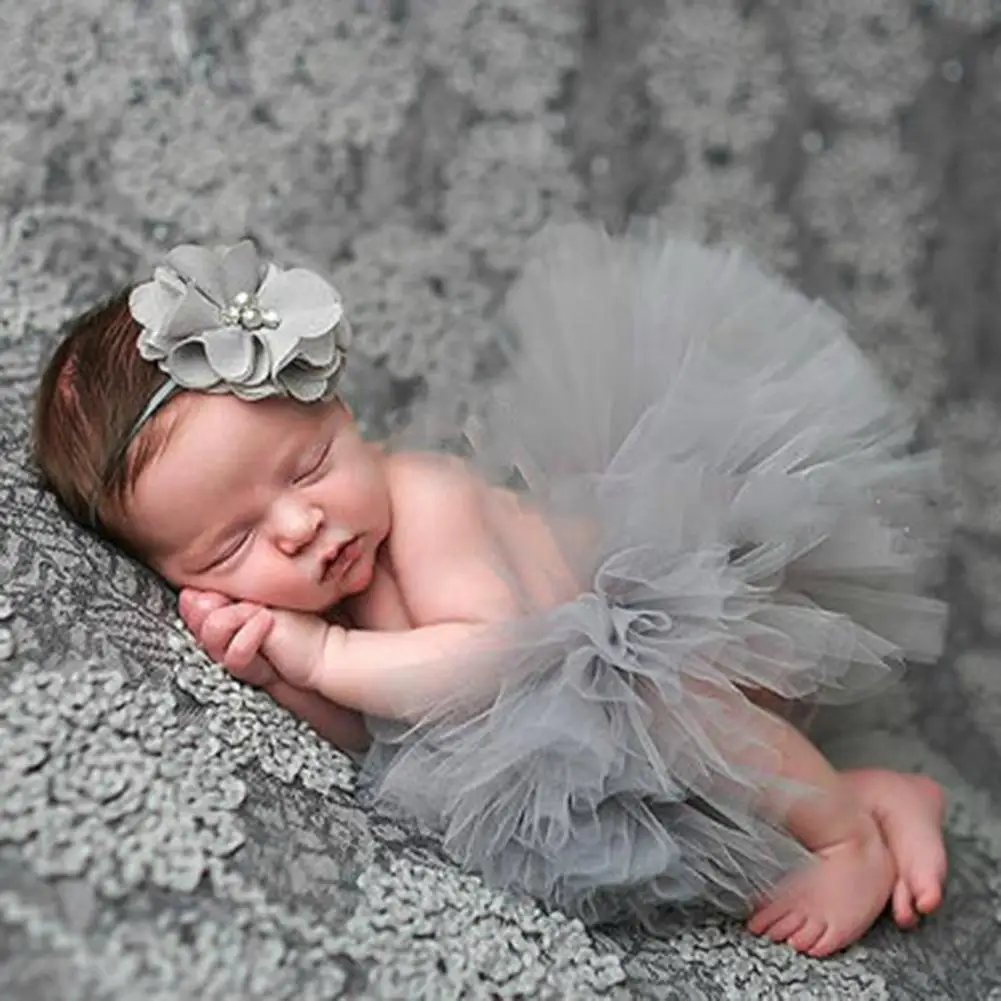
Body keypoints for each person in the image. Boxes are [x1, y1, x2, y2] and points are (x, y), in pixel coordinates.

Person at [33, 228, 949, 957]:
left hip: (668, 647)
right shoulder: (320, 585)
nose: (300, 526)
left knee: (686, 709)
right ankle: (880, 793)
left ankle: (847, 840)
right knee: (701, 817)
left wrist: (319, 653)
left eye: (308, 466)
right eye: (233, 544)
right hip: (595, 732)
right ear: (178, 573)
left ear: (341, 413)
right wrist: (279, 679)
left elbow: (487, 658)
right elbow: (377, 730)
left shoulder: (424, 500)